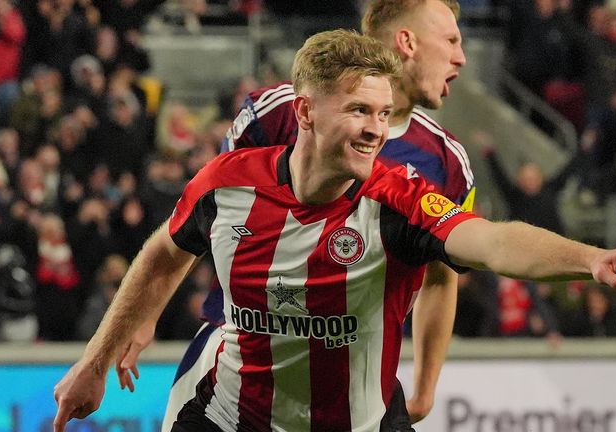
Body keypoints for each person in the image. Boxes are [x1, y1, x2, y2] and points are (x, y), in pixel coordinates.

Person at [54, 29, 616, 432]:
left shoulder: (399, 199)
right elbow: (162, 253)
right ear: (306, 112)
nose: (376, 129)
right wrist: (95, 360)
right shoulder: (226, 184)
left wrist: (590, 259)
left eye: (382, 113)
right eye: (359, 111)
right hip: (230, 417)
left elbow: (492, 240)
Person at [119, 0, 473, 428]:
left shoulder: (449, 163)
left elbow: (440, 275)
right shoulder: (279, 111)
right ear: (407, 41)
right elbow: (201, 219)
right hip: (238, 352)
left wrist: (426, 384)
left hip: (346, 380)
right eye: (451, 40)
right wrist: (143, 315)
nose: (461, 56)